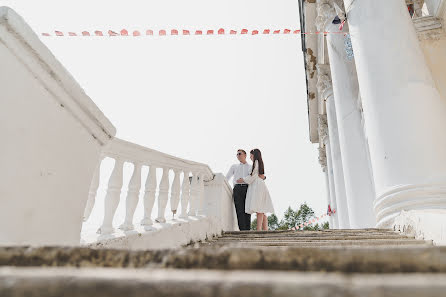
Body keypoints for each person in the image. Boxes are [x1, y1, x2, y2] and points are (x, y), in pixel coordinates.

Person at [237, 149, 274, 231]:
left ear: (254, 155)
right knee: (261, 208)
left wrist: (242, 179)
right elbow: (258, 175)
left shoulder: (256, 162)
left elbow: (253, 176)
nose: (250, 157)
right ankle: (265, 229)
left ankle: (259, 229)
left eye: (251, 155)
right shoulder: (258, 163)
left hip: (257, 186)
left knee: (259, 208)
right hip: (258, 185)